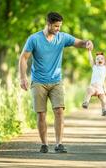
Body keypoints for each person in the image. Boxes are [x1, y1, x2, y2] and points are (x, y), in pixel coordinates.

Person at [18, 12, 93, 153]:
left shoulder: (62, 37)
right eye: (56, 26)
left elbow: (78, 42)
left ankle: (59, 144)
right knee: (41, 114)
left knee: (59, 111)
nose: (58, 29)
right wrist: (23, 77)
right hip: (38, 81)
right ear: (48, 24)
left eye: (60, 26)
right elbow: (23, 58)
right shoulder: (34, 39)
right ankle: (44, 144)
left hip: (56, 81)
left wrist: (87, 43)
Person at [82, 48, 106, 116]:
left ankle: (104, 109)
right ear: (95, 61)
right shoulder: (94, 67)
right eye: (97, 59)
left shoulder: (105, 68)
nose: (99, 60)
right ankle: (86, 102)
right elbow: (90, 59)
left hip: (100, 88)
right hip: (93, 86)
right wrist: (89, 51)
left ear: (104, 61)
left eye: (101, 59)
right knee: (89, 90)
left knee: (103, 99)